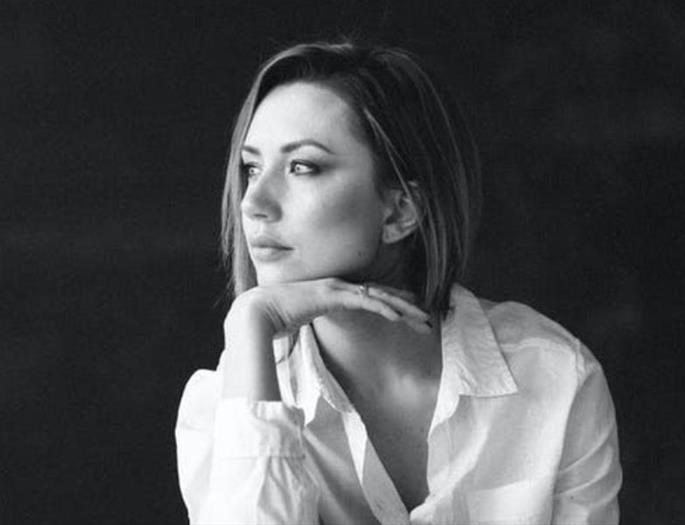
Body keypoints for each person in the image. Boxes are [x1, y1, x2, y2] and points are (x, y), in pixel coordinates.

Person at [175, 40, 622, 525]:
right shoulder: (226, 408)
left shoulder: (556, 379)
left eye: (302, 167)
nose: (253, 203)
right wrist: (249, 319)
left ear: (400, 211)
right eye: (251, 168)